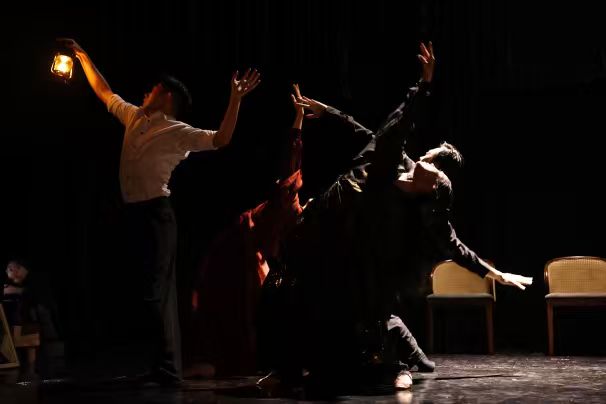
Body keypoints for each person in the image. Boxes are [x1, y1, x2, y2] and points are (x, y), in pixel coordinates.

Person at [267, 42, 532, 394]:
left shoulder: (423, 201)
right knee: (296, 294)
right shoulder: (393, 157)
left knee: (355, 319)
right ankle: (294, 368)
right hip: (323, 229)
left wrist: (495, 274)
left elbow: (452, 244)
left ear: (435, 184)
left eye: (432, 162)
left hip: (353, 254)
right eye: (429, 156)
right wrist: (326, 110)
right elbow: (373, 128)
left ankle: (398, 362)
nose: (424, 159)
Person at [59, 38, 260, 386]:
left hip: (157, 216)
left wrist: (235, 99)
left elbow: (221, 139)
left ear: (166, 96)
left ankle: (169, 369)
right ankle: (163, 367)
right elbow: (104, 92)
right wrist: (81, 55)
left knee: (157, 293)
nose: (146, 92)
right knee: (145, 293)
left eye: (152, 89)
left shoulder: (176, 130)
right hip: (134, 214)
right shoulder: (134, 117)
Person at [185, 86, 308, 378]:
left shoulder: (298, 218)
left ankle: (259, 357)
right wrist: (299, 117)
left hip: (253, 251)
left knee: (258, 304)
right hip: (240, 246)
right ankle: (246, 359)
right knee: (244, 303)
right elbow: (292, 156)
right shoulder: (288, 200)